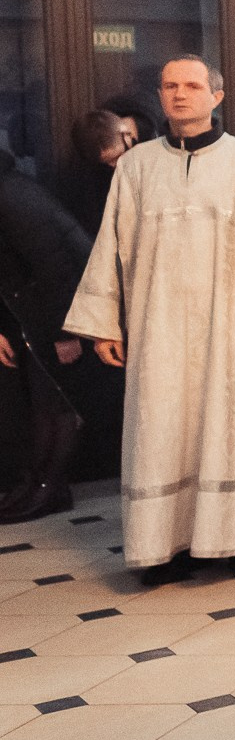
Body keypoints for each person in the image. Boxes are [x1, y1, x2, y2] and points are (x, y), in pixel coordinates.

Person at [64, 56, 235, 581]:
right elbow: (112, 245)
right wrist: (107, 321)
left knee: (231, 427)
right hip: (158, 329)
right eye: (170, 86)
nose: (180, 95)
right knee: (160, 427)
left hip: (230, 329)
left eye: (192, 85)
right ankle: (161, 547)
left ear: (216, 96)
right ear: (160, 94)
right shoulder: (137, 166)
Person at [0, 132, 94, 523]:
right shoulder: (10, 188)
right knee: (44, 402)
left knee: (55, 403)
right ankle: (38, 482)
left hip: (55, 309)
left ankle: (49, 487)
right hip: (32, 308)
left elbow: (55, 267)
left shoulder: (13, 196)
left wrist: (65, 333)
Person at [47, 109, 128, 236]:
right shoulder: (86, 177)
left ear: (126, 136)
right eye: (108, 161)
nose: (115, 164)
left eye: (118, 156)